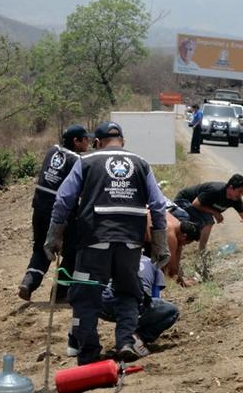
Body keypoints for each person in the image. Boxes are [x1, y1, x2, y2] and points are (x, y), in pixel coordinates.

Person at [44, 121, 170, 365]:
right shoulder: (141, 164)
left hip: (93, 240)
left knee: (85, 296)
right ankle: (125, 342)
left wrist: (54, 235)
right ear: (122, 141)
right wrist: (160, 244)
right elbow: (157, 204)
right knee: (128, 293)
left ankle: (88, 353)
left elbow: (63, 199)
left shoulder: (87, 161)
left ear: (97, 142)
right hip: (131, 243)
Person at [18, 124, 91, 302]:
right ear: (76, 141)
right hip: (61, 212)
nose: (88, 142)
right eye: (85, 139)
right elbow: (80, 190)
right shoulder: (76, 160)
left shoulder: (52, 151)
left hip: (39, 207)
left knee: (41, 248)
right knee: (72, 250)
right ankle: (60, 292)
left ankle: (29, 283)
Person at [67, 255, 179, 358]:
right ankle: (138, 337)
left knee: (86, 304)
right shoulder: (153, 265)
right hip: (132, 307)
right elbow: (154, 298)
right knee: (171, 311)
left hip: (104, 303)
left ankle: (74, 341)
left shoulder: (115, 256)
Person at [172, 174, 243, 251]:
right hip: (183, 201)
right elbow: (196, 204)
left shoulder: (236, 199)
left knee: (206, 221)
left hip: (197, 207)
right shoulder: (216, 190)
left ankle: (200, 250)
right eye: (240, 191)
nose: (241, 195)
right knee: (207, 221)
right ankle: (202, 252)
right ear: (231, 188)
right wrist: (215, 212)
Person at [146, 211, 201, 287]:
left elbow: (177, 255)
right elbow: (171, 269)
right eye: (186, 243)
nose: (184, 245)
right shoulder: (171, 235)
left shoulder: (177, 224)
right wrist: (183, 283)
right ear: (184, 236)